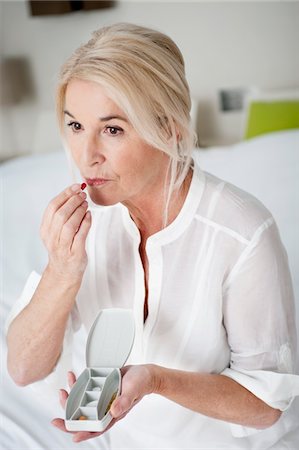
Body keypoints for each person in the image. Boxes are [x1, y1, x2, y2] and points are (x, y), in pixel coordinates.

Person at [5, 23, 299, 449]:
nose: (86, 156)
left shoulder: (243, 232)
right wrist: (62, 271)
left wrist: (154, 380)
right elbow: (23, 368)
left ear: (170, 128)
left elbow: (266, 406)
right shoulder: (86, 222)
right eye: (74, 126)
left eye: (113, 129)